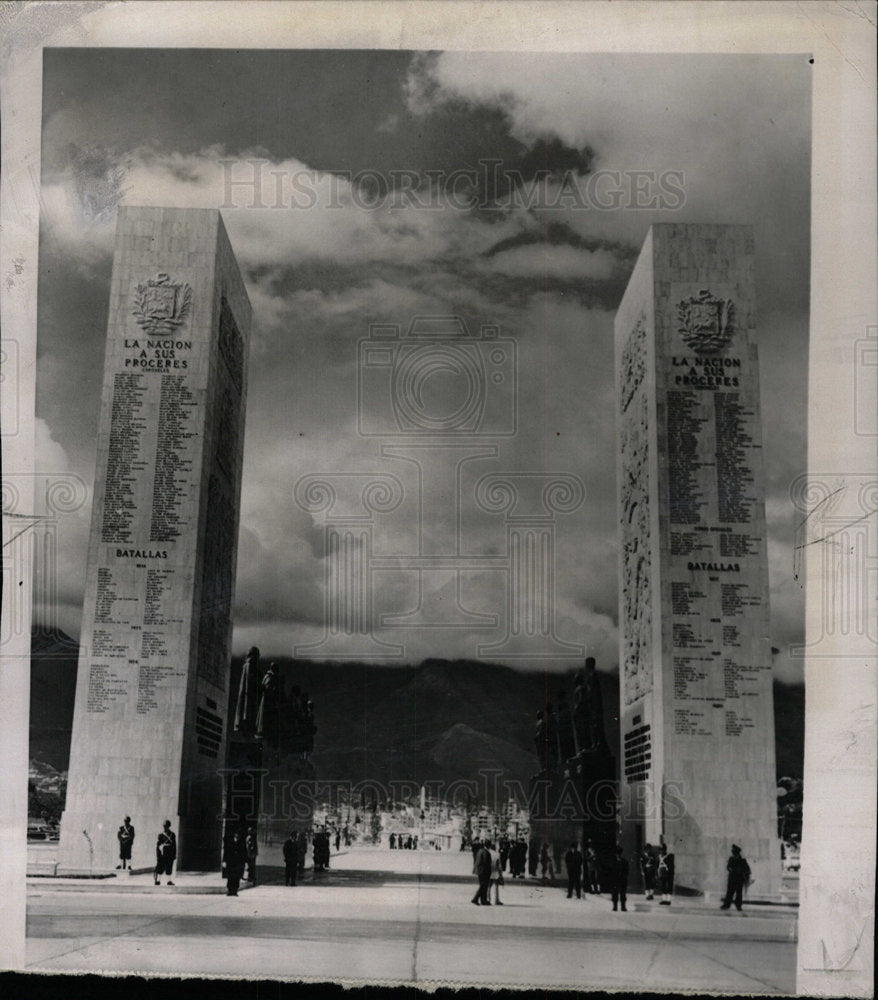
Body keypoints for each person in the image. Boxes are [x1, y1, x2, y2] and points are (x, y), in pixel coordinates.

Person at [721, 844, 752, 911]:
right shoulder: (731, 859)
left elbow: (747, 869)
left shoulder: (742, 860)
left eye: (733, 851)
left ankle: (738, 905)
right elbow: (728, 867)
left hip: (739, 879)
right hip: (732, 878)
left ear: (736, 852)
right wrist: (730, 869)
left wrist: (744, 874)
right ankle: (727, 905)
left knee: (739, 893)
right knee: (729, 892)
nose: (732, 852)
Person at [223, 827, 247, 896]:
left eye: (238, 834)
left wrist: (244, 862)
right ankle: (230, 891)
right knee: (230, 876)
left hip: (238, 862)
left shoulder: (242, 842)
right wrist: (224, 861)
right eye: (235, 834)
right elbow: (226, 851)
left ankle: (235, 891)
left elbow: (244, 852)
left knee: (237, 877)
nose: (236, 835)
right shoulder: (229, 841)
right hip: (230, 862)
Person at [154, 820, 176, 886]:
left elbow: (174, 845)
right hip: (162, 853)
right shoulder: (160, 835)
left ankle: (169, 881)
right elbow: (158, 846)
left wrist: (174, 854)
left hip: (169, 853)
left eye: (166, 826)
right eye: (164, 826)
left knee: (169, 867)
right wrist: (158, 855)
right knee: (160, 867)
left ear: (169, 826)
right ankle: (158, 880)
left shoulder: (172, 835)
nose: (165, 828)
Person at [471, 840, 493, 905]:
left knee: (483, 885)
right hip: (484, 871)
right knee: (483, 886)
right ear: (489, 846)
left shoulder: (480, 851)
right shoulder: (486, 852)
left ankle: (483, 900)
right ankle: (475, 898)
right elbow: (486, 862)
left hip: (479, 871)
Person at [609, 845, 629, 911]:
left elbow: (627, 871)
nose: (618, 855)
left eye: (619, 853)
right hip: (615, 879)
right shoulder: (613, 862)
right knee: (615, 893)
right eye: (617, 854)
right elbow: (610, 871)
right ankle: (615, 906)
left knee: (623, 893)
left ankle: (623, 906)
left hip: (622, 879)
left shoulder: (624, 862)